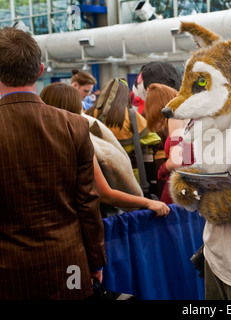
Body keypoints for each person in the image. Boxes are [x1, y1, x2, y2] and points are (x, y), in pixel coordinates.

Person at [0, 27, 105, 299]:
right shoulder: (75, 125)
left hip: (9, 271)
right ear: (40, 70)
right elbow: (87, 202)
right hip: (69, 264)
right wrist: (95, 261)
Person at [40, 82, 170, 217]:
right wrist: (146, 203)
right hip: (82, 218)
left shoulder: (39, 140)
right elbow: (105, 193)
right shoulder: (80, 142)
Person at [85, 78, 162, 197]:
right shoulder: (131, 116)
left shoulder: (88, 114)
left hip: (97, 173)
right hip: (129, 171)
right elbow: (153, 138)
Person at [144, 83, 192, 204]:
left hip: (181, 183)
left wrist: (162, 170)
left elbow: (176, 161)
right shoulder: (191, 116)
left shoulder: (174, 117)